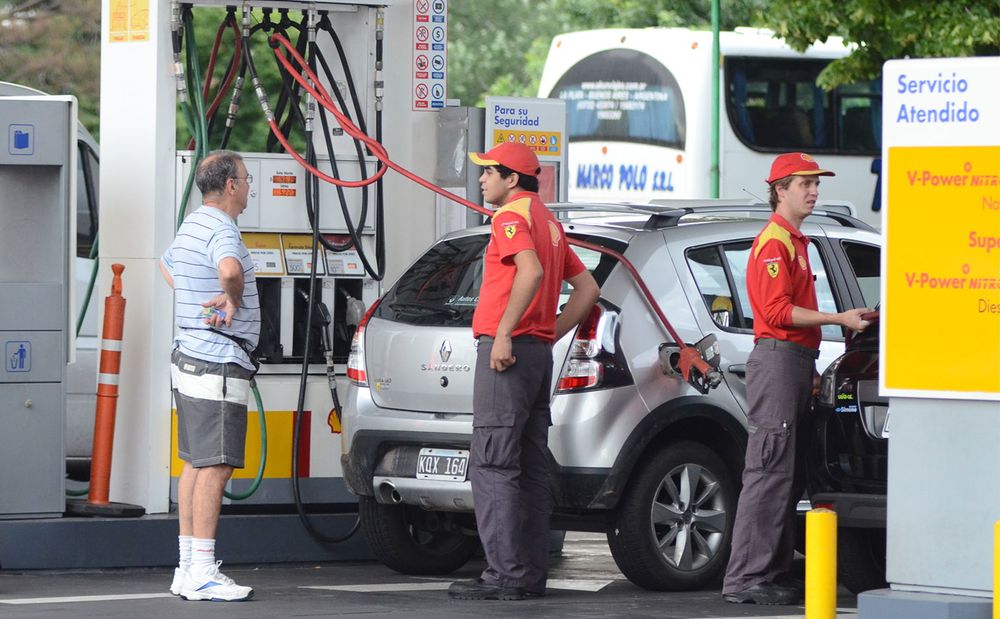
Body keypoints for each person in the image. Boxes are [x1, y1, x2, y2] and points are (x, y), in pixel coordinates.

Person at [447, 142, 601, 601]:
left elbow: (528, 273)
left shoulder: (510, 216)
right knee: (531, 466)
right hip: (537, 354)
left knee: (493, 464)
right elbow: (588, 287)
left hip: (509, 353)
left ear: (511, 179)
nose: (481, 180)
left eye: (488, 172)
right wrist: (549, 333)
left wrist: (507, 332)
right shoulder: (549, 223)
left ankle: (504, 575)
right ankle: (529, 573)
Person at [722, 152, 872, 605]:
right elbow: (775, 312)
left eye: (815, 183)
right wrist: (837, 316)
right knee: (768, 470)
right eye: (803, 183)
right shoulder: (775, 243)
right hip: (778, 358)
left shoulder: (794, 241)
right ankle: (745, 579)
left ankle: (767, 573)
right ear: (779, 190)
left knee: (782, 471)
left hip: (794, 361)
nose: (813, 190)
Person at [159, 150, 260, 602]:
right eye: (247, 178)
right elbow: (230, 270)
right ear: (231, 185)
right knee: (216, 466)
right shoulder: (222, 228)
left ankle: (186, 567)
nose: (250, 186)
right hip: (217, 361)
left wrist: (196, 300)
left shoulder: (192, 223)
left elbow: (167, 265)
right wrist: (229, 299)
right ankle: (201, 569)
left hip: (190, 356)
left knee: (195, 463)